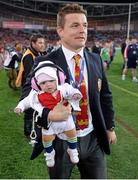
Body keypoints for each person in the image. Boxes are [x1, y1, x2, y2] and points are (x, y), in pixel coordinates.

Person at [21, 3, 117, 179]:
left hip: (93, 136)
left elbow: (105, 96)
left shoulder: (95, 59)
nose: (83, 30)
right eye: (75, 25)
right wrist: (49, 114)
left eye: (85, 25)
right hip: (59, 139)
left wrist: (110, 127)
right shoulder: (46, 61)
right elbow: (27, 95)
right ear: (60, 31)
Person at [14, 61, 82, 167]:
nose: (48, 84)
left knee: (72, 133)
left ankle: (72, 149)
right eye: (43, 83)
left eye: (51, 80)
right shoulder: (37, 95)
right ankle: (50, 153)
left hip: (65, 120)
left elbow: (73, 90)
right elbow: (26, 101)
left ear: (58, 78)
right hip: (49, 122)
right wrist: (20, 107)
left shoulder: (64, 88)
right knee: (46, 138)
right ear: (36, 85)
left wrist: (76, 94)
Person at [16, 33, 46, 141]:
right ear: (33, 43)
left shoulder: (38, 53)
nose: (43, 45)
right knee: (29, 111)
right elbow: (31, 74)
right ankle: (28, 132)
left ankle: (37, 128)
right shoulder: (29, 55)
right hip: (29, 87)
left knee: (37, 108)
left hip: (36, 86)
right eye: (40, 43)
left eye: (43, 43)